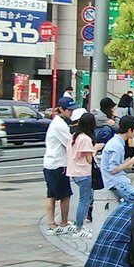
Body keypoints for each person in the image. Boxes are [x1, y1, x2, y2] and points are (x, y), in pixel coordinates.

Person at [43, 96, 77, 234]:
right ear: (61, 109)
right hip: (58, 165)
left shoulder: (57, 123)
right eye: (69, 110)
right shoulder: (59, 125)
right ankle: (63, 223)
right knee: (65, 195)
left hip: (50, 163)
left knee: (51, 195)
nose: (71, 112)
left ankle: (51, 223)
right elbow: (69, 143)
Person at [67, 112, 101, 238]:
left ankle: (80, 226)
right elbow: (89, 160)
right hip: (84, 173)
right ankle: (79, 228)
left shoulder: (74, 137)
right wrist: (95, 149)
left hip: (74, 172)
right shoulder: (86, 139)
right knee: (85, 201)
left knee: (86, 199)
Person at [102, 116, 134, 202]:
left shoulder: (116, 142)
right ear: (129, 130)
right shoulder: (116, 145)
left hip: (118, 181)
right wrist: (130, 162)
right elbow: (113, 169)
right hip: (117, 182)